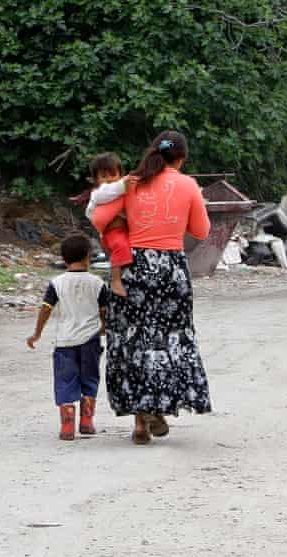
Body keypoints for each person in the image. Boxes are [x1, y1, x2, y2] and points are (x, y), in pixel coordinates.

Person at [89, 130, 211, 445]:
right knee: (167, 339)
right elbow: (201, 229)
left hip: (132, 267)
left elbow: (99, 217)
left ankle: (140, 423)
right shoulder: (187, 185)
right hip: (170, 269)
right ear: (181, 158)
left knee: (132, 341)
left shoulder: (131, 182)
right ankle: (158, 404)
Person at [26, 234, 110, 441]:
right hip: (90, 340)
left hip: (64, 342)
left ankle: (67, 425)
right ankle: (87, 421)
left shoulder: (57, 283)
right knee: (90, 378)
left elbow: (46, 309)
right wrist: (104, 328)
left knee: (65, 381)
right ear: (89, 256)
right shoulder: (97, 283)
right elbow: (105, 311)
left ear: (63, 259)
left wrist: (37, 333)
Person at [70, 153, 132, 298]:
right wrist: (124, 184)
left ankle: (125, 277)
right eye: (104, 176)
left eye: (113, 174)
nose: (109, 179)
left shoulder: (122, 190)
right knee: (121, 246)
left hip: (125, 231)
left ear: (120, 173)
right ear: (96, 179)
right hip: (112, 233)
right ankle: (116, 281)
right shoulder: (99, 193)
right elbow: (110, 192)